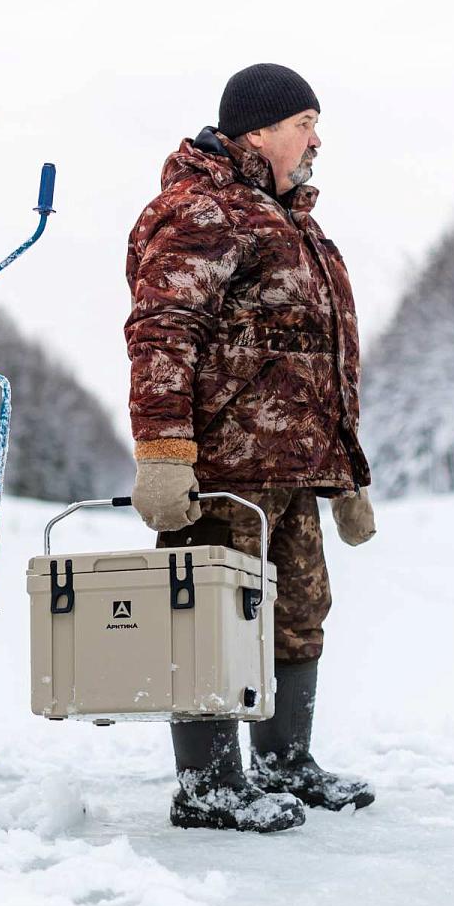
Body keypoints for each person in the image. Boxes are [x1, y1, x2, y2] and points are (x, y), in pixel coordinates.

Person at [123, 63, 377, 833]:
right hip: (223, 473)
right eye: (304, 123)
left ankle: (283, 762)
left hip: (296, 468)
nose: (315, 139)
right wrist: (164, 451)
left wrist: (347, 472)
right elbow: (164, 330)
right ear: (257, 131)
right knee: (211, 621)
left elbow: (321, 356)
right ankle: (208, 785)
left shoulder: (294, 222)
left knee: (299, 614)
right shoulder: (203, 210)